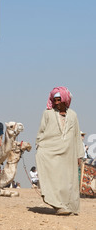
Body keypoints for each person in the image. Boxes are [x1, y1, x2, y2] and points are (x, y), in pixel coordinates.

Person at [36, 87, 84, 215]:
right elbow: (41, 132)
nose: (56, 102)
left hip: (69, 153)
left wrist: (79, 155)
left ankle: (69, 206)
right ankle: (58, 205)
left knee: (68, 181)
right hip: (51, 151)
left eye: (59, 100)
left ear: (65, 100)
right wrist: (40, 147)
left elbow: (76, 137)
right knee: (54, 179)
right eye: (54, 100)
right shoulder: (47, 113)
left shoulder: (73, 115)